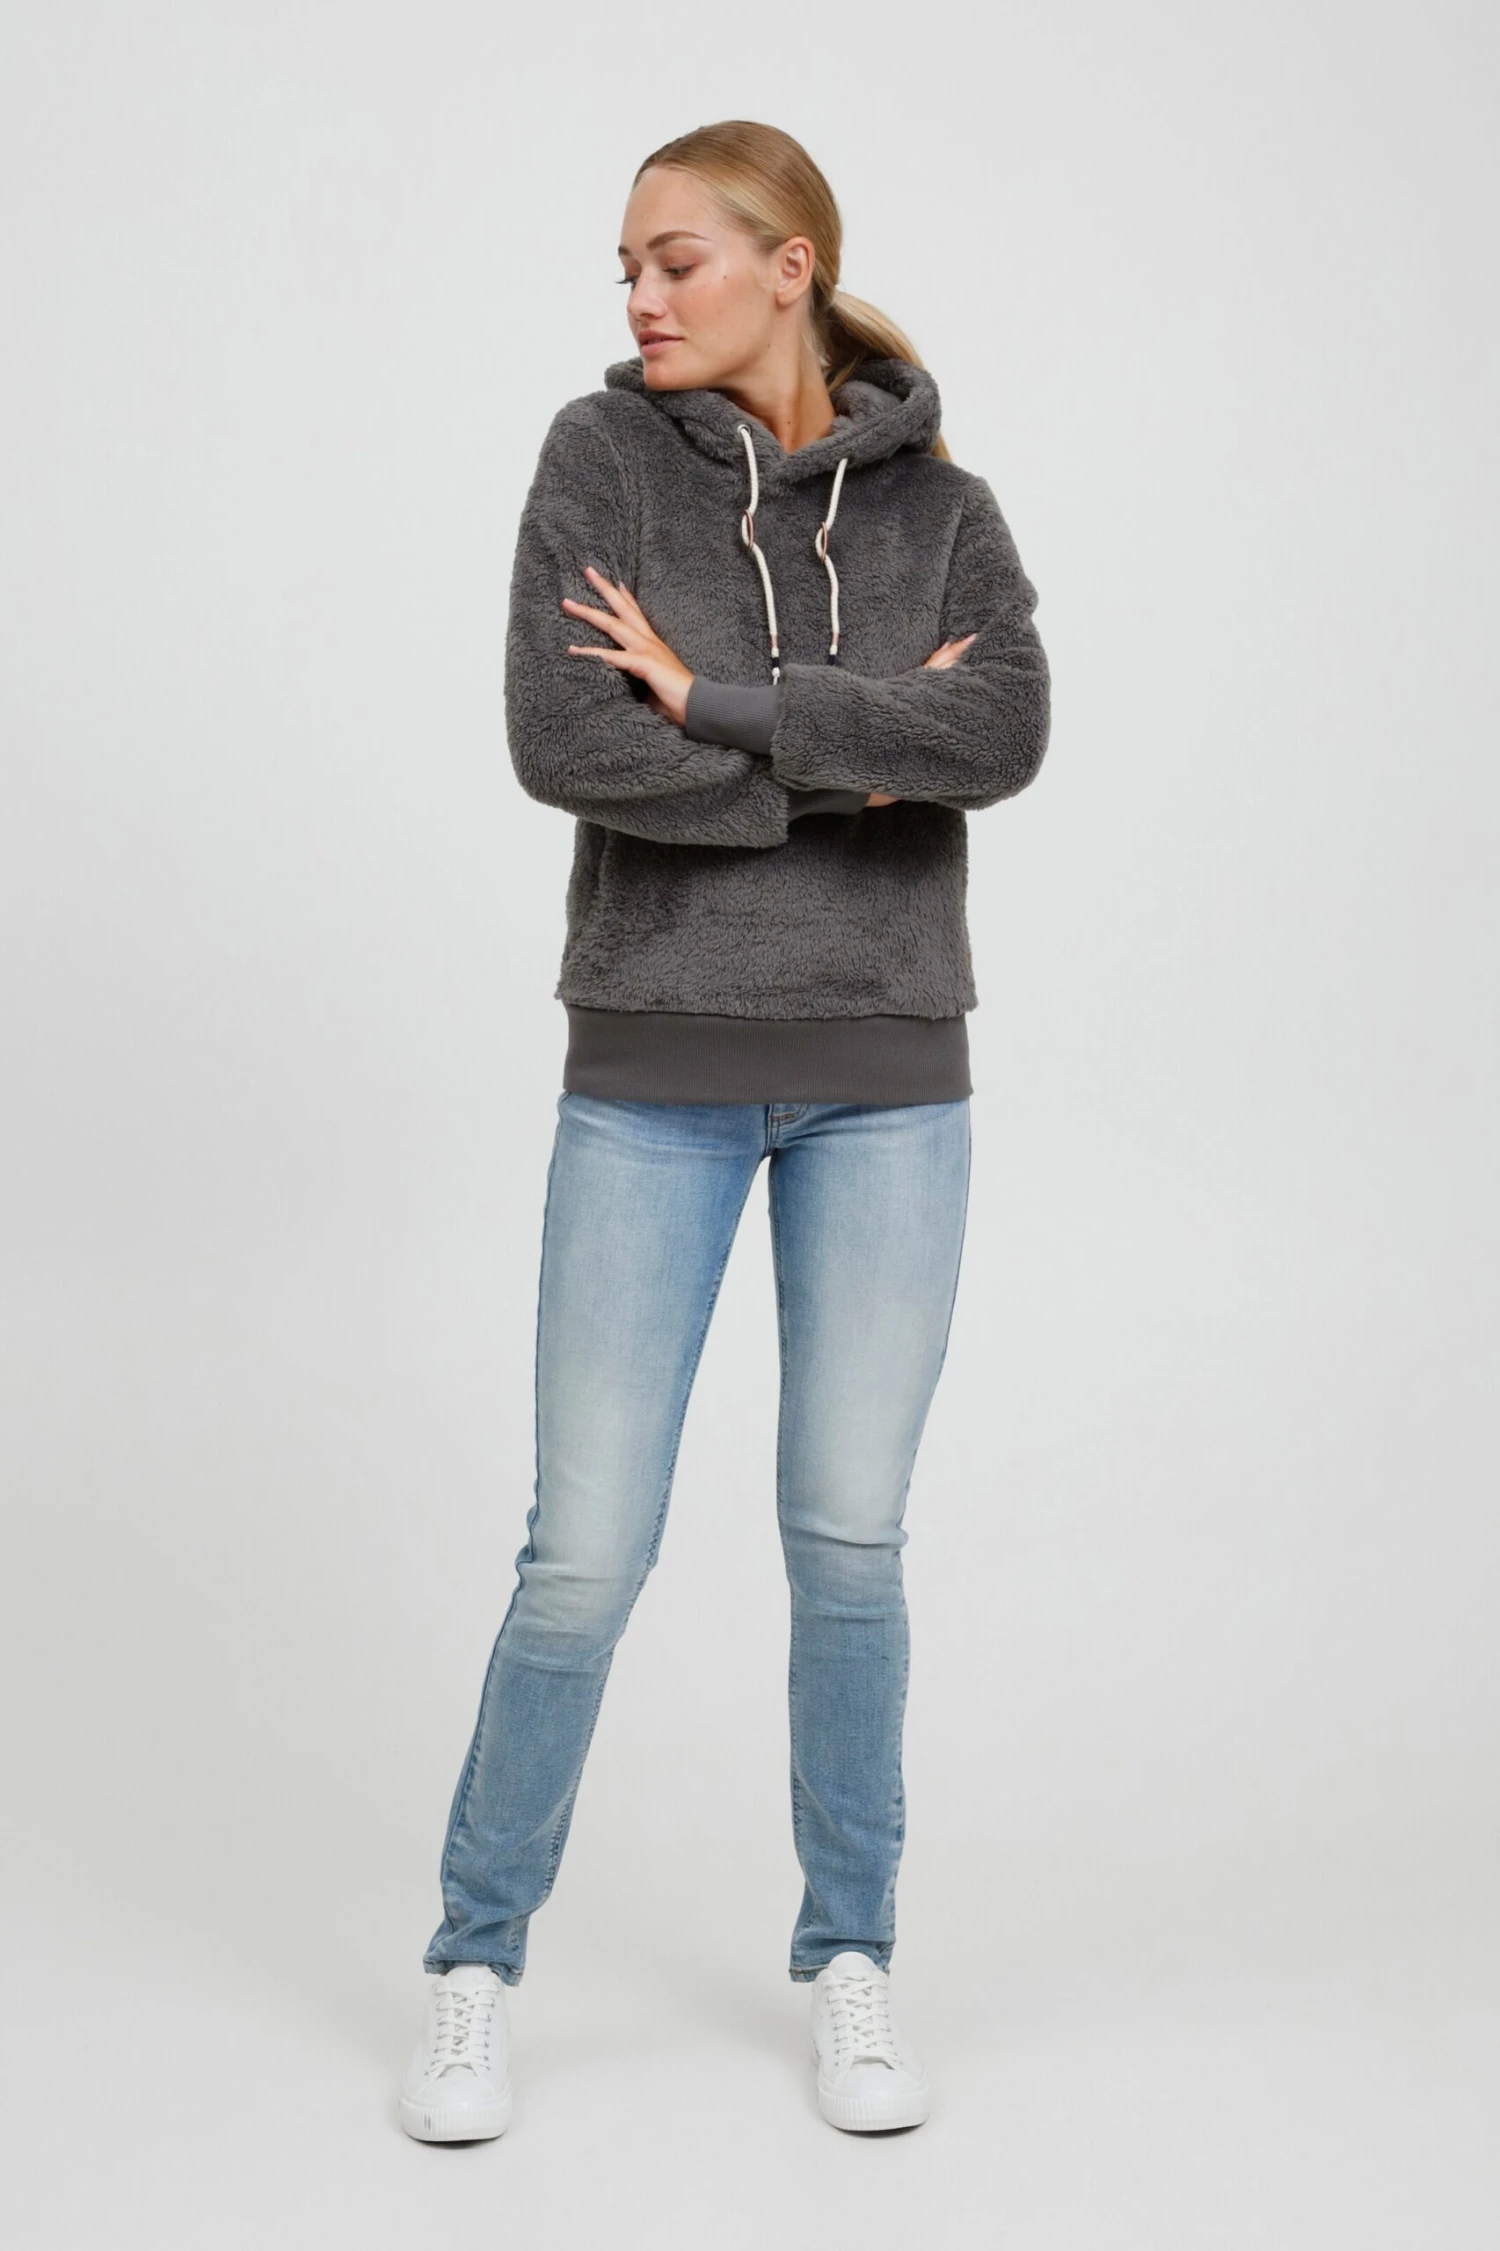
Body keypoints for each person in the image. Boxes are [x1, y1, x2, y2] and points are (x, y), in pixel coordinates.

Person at [397, 117, 1051, 2144]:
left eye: (674, 259)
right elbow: (559, 738)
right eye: (626, 266)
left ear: (791, 266)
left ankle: (851, 1952)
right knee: (584, 1552)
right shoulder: (599, 460)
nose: (640, 296)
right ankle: (474, 1962)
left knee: (847, 1544)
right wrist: (863, 752)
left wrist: (724, 707)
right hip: (652, 1068)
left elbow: (1005, 732)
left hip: (888, 1072)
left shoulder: (946, 508)